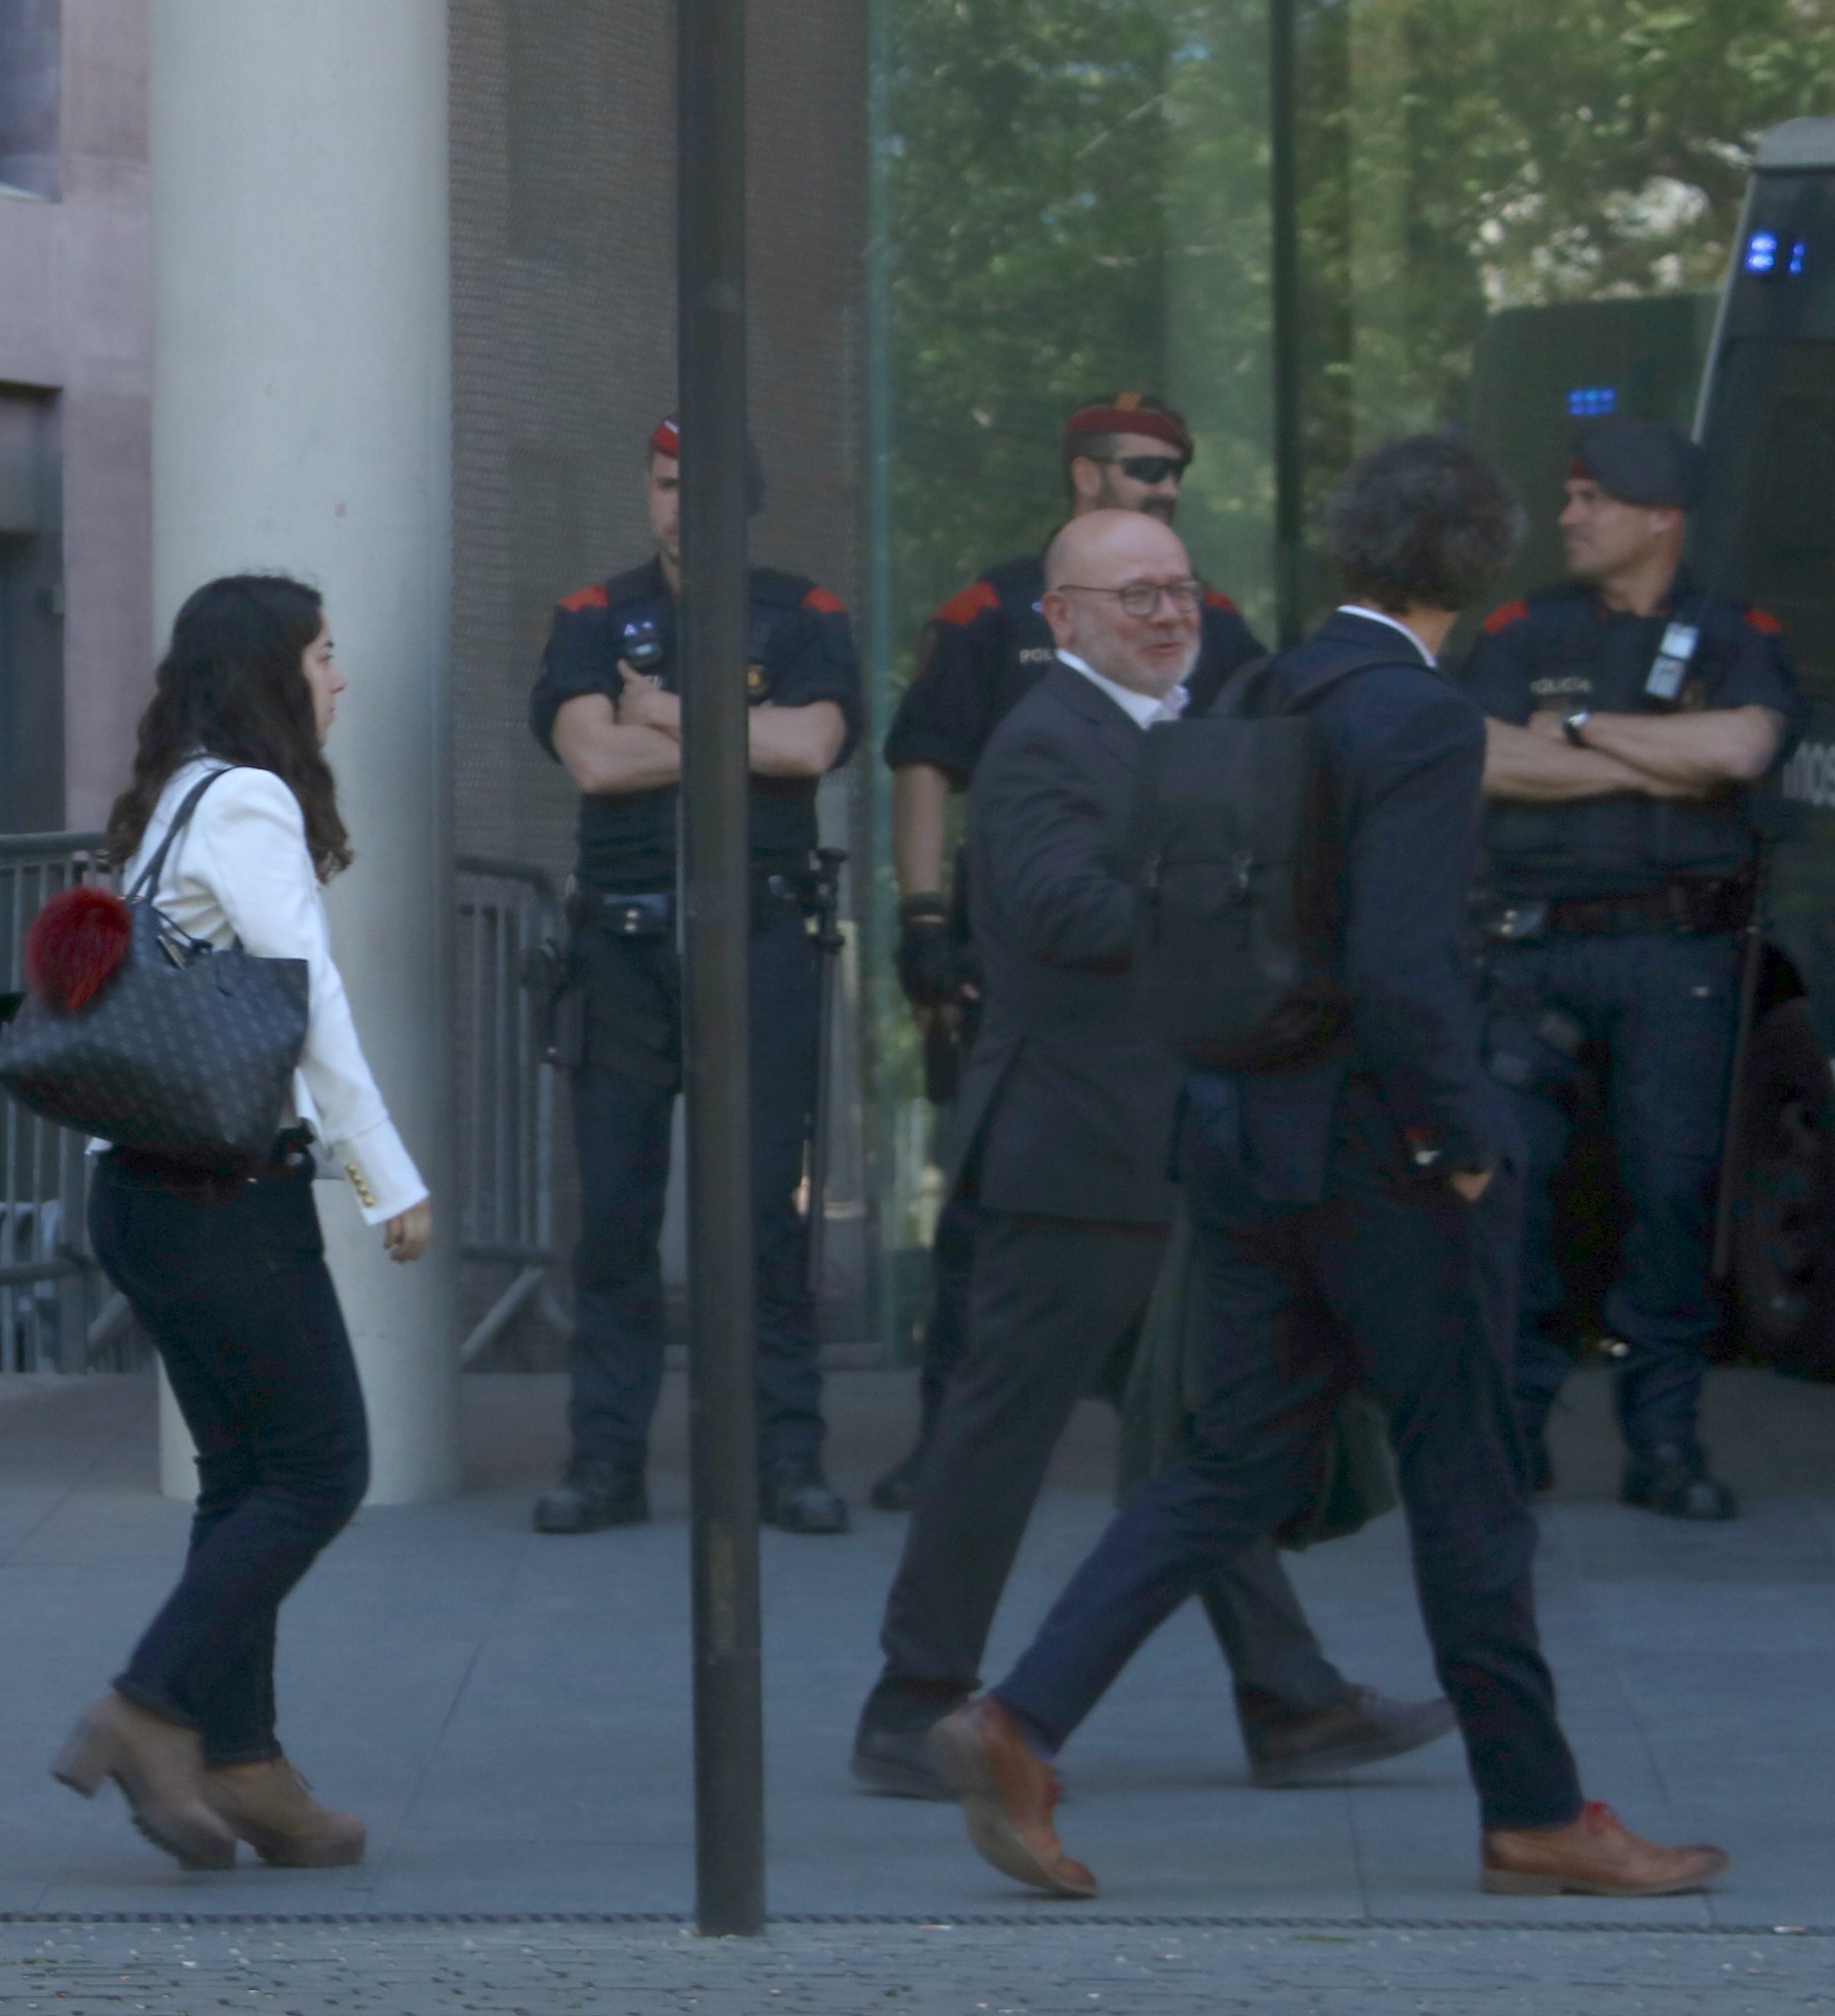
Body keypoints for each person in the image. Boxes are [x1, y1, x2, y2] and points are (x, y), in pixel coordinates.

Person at [934, 435, 1730, 1903]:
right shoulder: (1418, 716)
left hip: (1245, 1129)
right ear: (1478, 564)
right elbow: (1403, 961)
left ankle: (1015, 1716)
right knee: (1471, 1474)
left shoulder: (1264, 681)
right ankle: (1537, 1809)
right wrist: (1463, 1141)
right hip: (1380, 1157)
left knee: (1224, 1462)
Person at [846, 506, 1448, 1803]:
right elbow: (1065, 906)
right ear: (1061, 618)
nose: (1170, 613)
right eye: (1135, 596)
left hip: (1153, 1151)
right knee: (1000, 1437)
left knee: (1198, 1442)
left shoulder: (1177, 729)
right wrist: (1250, 913)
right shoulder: (1043, 741)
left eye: (1180, 589)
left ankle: (1291, 1699)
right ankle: (910, 1700)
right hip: (1072, 1157)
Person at [52, 576, 434, 1873]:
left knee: (242, 1478)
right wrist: (388, 1173)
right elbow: (305, 994)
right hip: (223, 1199)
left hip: (147, 1193)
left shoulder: (177, 796)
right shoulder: (250, 797)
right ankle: (148, 1707)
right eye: (325, 654)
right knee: (321, 1470)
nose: (341, 677)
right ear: (275, 669)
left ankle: (245, 1760)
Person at [875, 394, 1266, 1511]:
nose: (1168, 485)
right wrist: (920, 918)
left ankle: (1261, 1632)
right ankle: (946, 1454)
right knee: (990, 1253)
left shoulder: (1216, 620)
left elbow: (1260, 761)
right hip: (1040, 989)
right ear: (1086, 476)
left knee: (1165, 1324)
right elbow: (928, 761)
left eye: (1178, 471)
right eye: (1146, 469)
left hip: (1168, 1031)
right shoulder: (994, 614)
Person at [528, 419, 862, 1537]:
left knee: (767, 1214)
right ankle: (605, 1466)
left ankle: (785, 1462)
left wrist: (663, 708)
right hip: (622, 949)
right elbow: (593, 757)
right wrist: (743, 732)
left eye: (705, 487)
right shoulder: (589, 614)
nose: (682, 506)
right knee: (616, 1221)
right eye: (667, 483)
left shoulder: (803, 613)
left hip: (760, 943)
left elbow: (815, 748)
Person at [1459, 419, 1793, 1522]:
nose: (1569, 517)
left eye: (1593, 498)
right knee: (1520, 1195)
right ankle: (1513, 1430)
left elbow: (1742, 751)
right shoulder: (1517, 630)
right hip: (1534, 953)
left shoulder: (1735, 631)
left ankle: (1664, 1443)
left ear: (1660, 515)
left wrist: (1585, 729)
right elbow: (1479, 757)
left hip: (1679, 958)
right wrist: (1661, 759)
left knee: (1670, 1192)